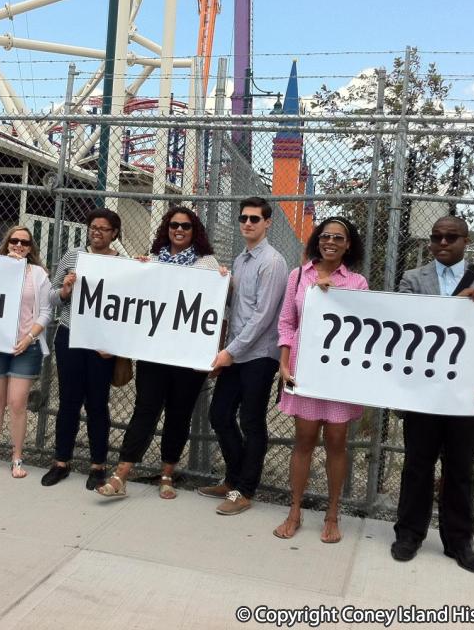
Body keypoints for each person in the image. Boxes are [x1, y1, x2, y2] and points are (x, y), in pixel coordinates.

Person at [391, 215, 474, 574]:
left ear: (466, 240)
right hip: (423, 392)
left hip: (469, 394)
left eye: (451, 237)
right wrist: (453, 307)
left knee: (460, 468)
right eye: (436, 238)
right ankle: (409, 534)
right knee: (417, 464)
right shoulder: (413, 279)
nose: (442, 243)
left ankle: (460, 540)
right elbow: (402, 320)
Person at [97, 206, 223, 499]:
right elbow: (132, 302)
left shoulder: (207, 265)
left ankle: (167, 474)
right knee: (145, 410)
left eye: (186, 226)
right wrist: (136, 271)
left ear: (195, 232)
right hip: (154, 353)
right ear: (167, 228)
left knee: (179, 415)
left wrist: (224, 281)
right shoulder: (152, 260)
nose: (179, 230)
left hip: (187, 356)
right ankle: (122, 473)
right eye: (174, 225)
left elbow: (219, 309)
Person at [273, 217, 368, 542]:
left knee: (337, 443)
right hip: (305, 372)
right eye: (325, 236)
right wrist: (284, 364)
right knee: (304, 440)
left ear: (348, 244)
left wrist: (333, 294)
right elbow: (287, 322)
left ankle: (332, 514)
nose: (330, 242)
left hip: (339, 375)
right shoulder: (299, 275)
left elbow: (363, 327)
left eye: (338, 238)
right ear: (317, 240)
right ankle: (295, 510)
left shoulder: (357, 283)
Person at [200, 197, 289, 515]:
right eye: (244, 218)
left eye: (255, 218)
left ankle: (245, 489)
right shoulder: (241, 260)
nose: (248, 223)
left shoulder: (273, 262)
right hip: (236, 352)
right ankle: (234, 479)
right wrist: (224, 283)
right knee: (219, 415)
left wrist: (229, 352)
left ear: (267, 223)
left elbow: (264, 316)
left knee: (251, 422)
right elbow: (237, 307)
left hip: (259, 355)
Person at [41, 208, 124, 490]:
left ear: (114, 233)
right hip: (70, 335)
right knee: (68, 400)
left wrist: (114, 343)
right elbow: (51, 297)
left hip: (101, 343)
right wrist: (64, 290)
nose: (96, 232)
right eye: (93, 227)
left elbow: (127, 309)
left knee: (98, 403)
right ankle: (61, 461)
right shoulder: (73, 256)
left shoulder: (122, 264)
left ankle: (98, 465)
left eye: (103, 228)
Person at [0, 225, 53, 478]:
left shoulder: (38, 273)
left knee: (17, 403)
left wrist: (30, 337)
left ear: (30, 248)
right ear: (7, 243)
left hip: (25, 346)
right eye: (14, 241)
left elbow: (46, 311)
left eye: (24, 243)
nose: (18, 246)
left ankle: (17, 457)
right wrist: (3, 269)